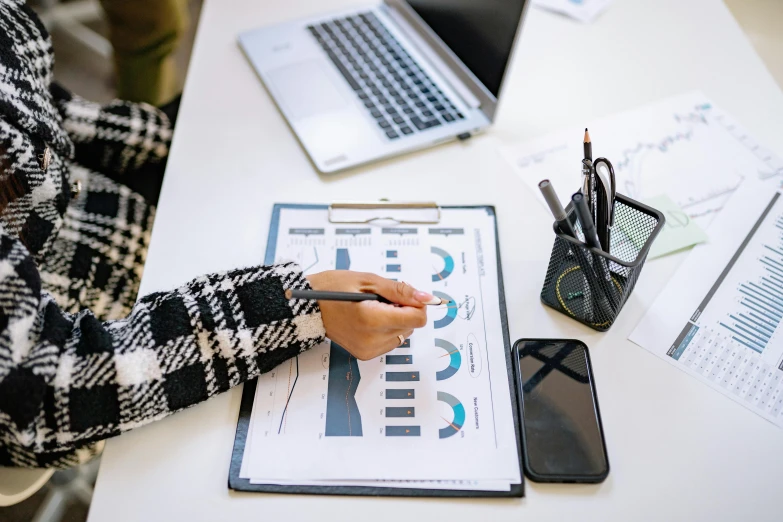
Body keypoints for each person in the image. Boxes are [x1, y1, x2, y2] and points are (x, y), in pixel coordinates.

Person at [0, 0, 429, 469]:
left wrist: (179, 139)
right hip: (107, 326)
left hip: (101, 194)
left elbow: (36, 108)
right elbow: (43, 391)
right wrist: (304, 311)